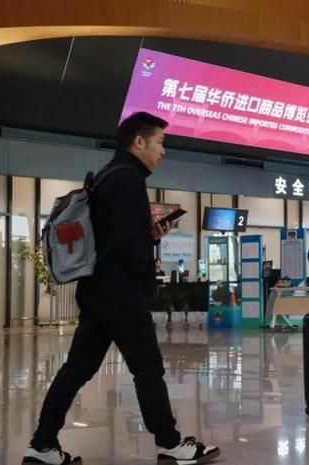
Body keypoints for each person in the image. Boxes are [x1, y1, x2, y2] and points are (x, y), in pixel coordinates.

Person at [22, 112, 220, 465]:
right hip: (122, 294)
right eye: (160, 142)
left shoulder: (106, 176)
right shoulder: (129, 179)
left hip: (96, 291)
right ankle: (170, 444)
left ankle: (42, 445)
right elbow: (128, 247)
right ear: (139, 142)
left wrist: (150, 235)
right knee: (148, 368)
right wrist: (146, 281)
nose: (163, 150)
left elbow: (114, 238)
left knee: (76, 369)